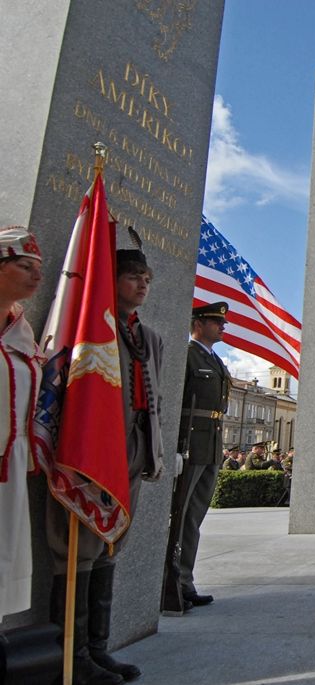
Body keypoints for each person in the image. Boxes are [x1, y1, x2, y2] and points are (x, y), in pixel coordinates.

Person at [47, 246, 167, 682]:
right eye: (133, 276)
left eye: (147, 278)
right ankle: (71, 654)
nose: (142, 284)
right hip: (94, 448)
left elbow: (154, 401)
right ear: (110, 279)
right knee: (78, 548)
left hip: (134, 446)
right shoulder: (92, 327)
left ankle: (98, 648)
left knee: (113, 543)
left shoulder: (148, 337)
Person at [162, 302, 230, 614]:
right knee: (180, 513)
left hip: (211, 443)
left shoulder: (214, 360)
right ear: (198, 323)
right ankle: (170, 581)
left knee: (194, 517)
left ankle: (185, 581)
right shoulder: (187, 355)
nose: (222, 326)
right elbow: (175, 401)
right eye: (216, 321)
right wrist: (175, 446)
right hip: (190, 442)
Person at [0, 227, 43, 626]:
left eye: (38, 268)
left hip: (9, 467)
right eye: (25, 266)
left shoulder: (22, 333)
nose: (36, 276)